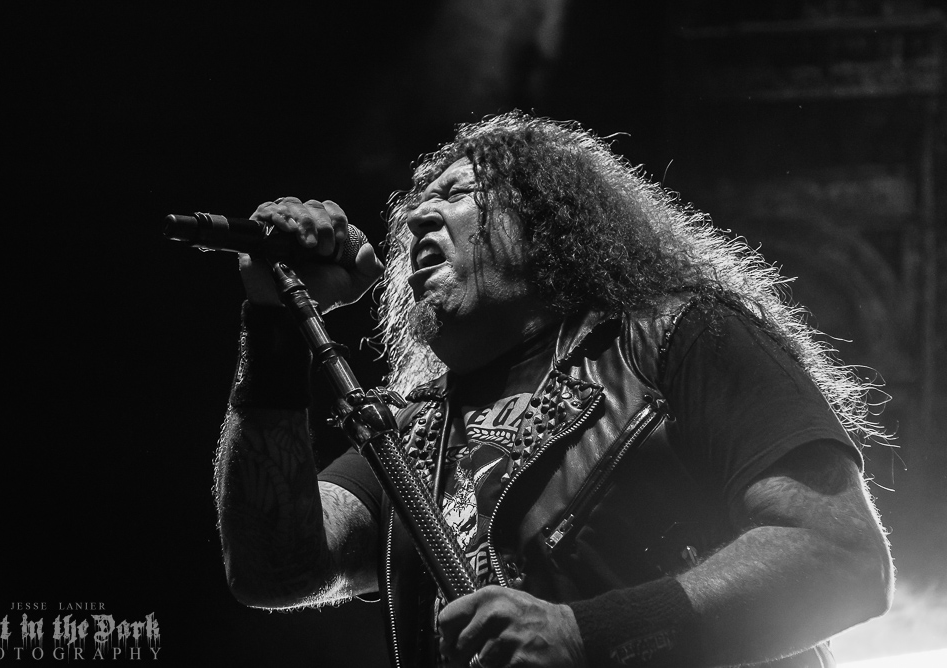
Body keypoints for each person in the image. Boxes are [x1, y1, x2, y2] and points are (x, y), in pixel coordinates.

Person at [212, 111, 893, 668]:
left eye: (454, 194)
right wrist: (274, 321)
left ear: (547, 223)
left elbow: (841, 558)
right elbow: (274, 569)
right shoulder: (409, 439)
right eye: (415, 210)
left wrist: (585, 633)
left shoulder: (680, 339)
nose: (418, 219)